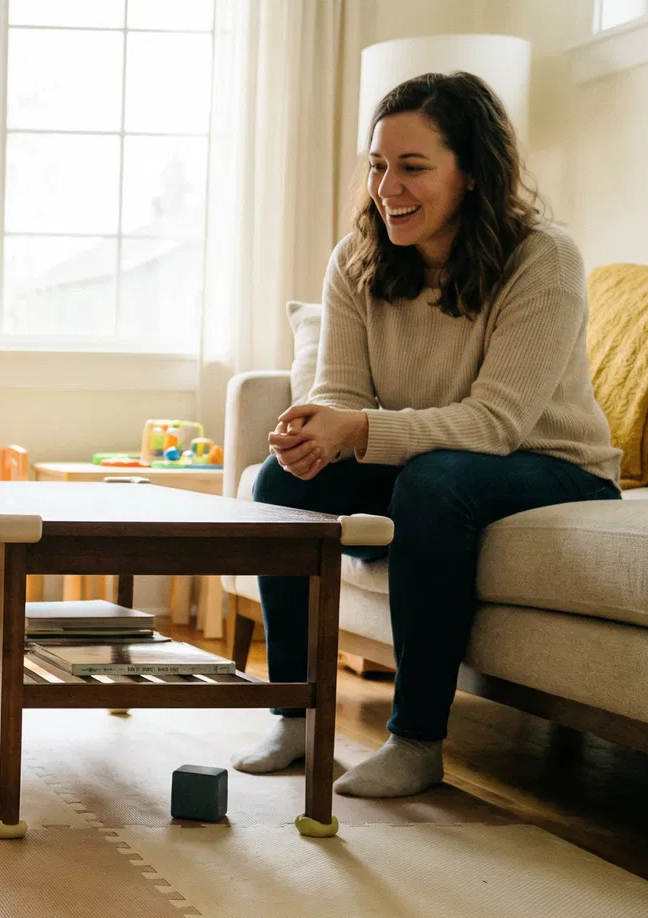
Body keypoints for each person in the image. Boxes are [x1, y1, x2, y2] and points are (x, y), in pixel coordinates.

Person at [231, 72, 621, 797]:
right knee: (283, 479)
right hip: (435, 458)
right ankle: (295, 718)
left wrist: (358, 428)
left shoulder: (544, 257)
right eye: (378, 166)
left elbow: (496, 423)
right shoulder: (357, 258)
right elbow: (343, 393)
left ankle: (416, 740)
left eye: (413, 167)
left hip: (548, 463)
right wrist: (318, 429)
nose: (388, 188)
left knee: (434, 482)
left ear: (471, 173)